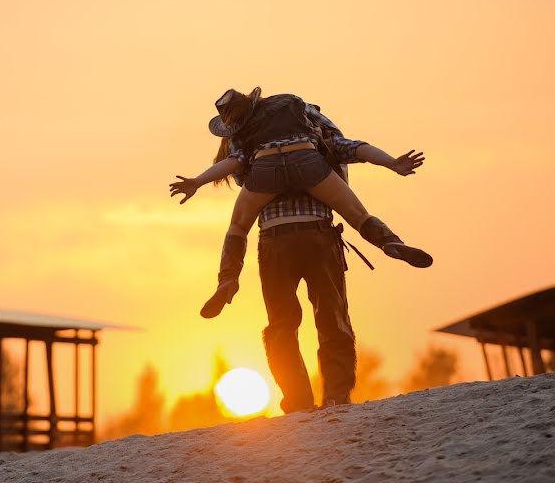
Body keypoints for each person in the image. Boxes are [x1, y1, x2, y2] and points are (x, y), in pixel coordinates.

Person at [170, 87, 431, 319]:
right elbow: (348, 145)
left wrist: (197, 181)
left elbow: (234, 162)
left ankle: (227, 281)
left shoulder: (242, 129)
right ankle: (390, 242)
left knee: (237, 228)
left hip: (266, 168)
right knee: (358, 215)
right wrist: (392, 163)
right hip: (306, 158)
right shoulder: (298, 108)